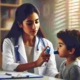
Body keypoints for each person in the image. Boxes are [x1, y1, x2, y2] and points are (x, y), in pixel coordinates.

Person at [1, 3, 58, 77]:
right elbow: (7, 66)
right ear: (20, 24)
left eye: (37, 22)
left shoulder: (47, 44)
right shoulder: (9, 42)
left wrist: (60, 75)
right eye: (29, 23)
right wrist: (35, 63)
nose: (34, 27)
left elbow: (51, 71)